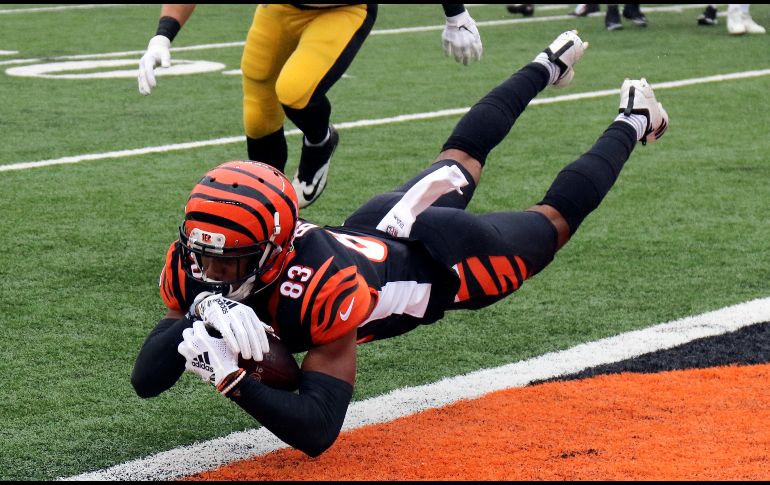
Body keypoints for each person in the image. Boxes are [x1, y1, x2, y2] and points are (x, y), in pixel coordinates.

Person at [131, 30, 669, 457]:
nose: (209, 268)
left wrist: (230, 378)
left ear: (275, 246)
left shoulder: (323, 285)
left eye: (229, 260)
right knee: (460, 154)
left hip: (445, 261)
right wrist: (196, 313)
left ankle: (635, 116)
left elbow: (317, 428)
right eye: (204, 254)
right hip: (376, 226)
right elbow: (146, 381)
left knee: (552, 223)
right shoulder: (197, 263)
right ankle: (549, 63)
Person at [137, 5, 483, 209]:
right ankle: (268, 215)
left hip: (342, 10)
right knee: (258, 113)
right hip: (281, 9)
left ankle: (320, 140)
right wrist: (162, 34)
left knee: (295, 90)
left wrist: (456, 14)